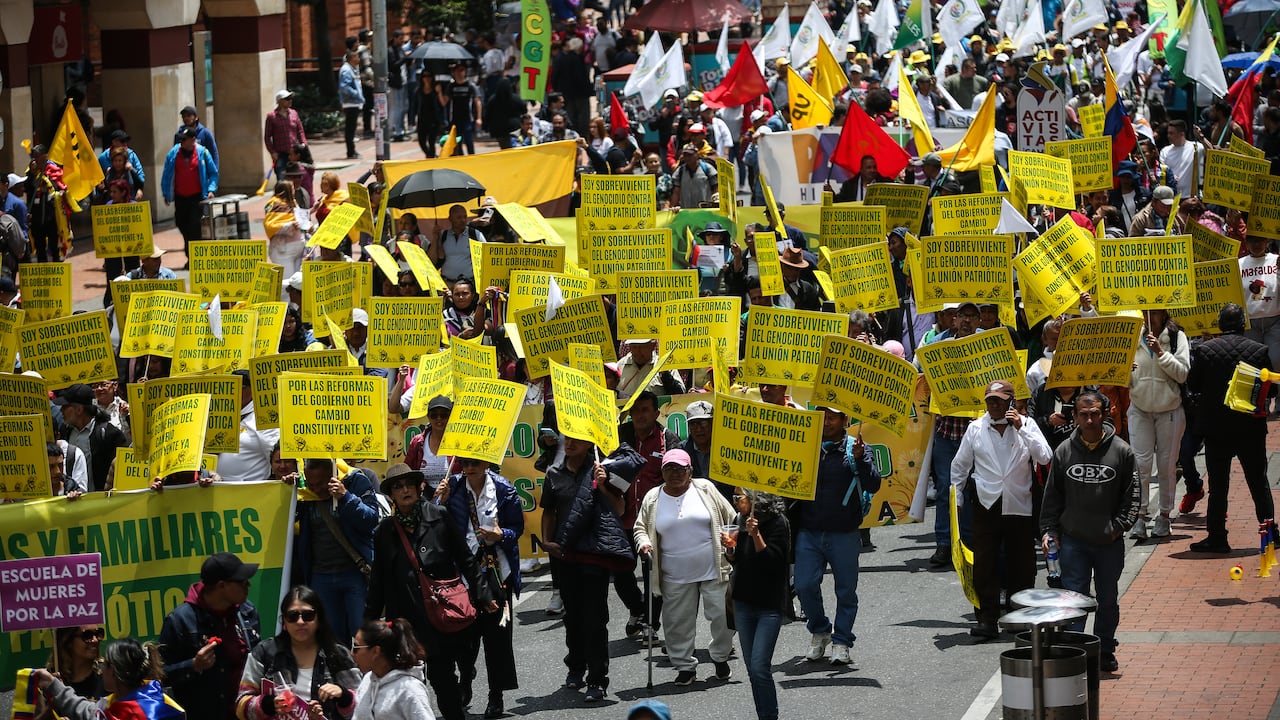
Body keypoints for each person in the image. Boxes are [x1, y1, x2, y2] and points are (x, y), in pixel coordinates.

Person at [364, 464, 496, 720]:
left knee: (446, 672)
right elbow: (378, 581)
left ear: (418, 487)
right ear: (391, 494)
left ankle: (460, 695)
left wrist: (484, 594)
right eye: (398, 487)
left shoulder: (439, 516)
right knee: (419, 679)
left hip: (443, 612)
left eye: (408, 485)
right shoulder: (384, 532)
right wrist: (369, 624)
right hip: (406, 620)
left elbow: (466, 558)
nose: (404, 491)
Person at [1041, 391, 1139, 672]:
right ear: (1075, 417)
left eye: (1095, 413)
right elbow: (1052, 497)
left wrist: (1118, 527)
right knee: (1074, 600)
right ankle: (1076, 651)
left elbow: (1133, 497)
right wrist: (1049, 531)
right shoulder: (1063, 451)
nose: (1090, 419)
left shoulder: (1122, 451)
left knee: (1108, 599)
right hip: (1074, 542)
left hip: (1109, 543)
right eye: (1083, 414)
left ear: (1105, 414)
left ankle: (1105, 648)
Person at [951, 380, 1053, 639]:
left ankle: (1021, 618)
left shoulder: (1027, 425)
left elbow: (1045, 457)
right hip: (986, 504)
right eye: (990, 400)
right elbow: (959, 467)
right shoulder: (975, 428)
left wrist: (1022, 428)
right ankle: (986, 619)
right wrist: (957, 502)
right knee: (984, 564)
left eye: (999, 400)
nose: (994, 405)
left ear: (1010, 401)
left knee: (1023, 564)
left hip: (1019, 503)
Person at [634, 448, 737, 685]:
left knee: (722, 616)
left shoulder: (705, 488)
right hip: (674, 573)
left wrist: (731, 541)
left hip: (713, 567)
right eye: (669, 469)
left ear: (690, 471)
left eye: (681, 469)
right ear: (662, 472)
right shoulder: (653, 497)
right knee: (677, 624)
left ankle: (720, 657)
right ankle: (685, 666)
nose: (675, 473)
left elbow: (730, 517)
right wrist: (645, 543)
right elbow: (640, 527)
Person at [540, 437, 630, 703]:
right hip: (565, 555)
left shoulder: (603, 470)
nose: (569, 444)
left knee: (595, 618)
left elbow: (620, 509)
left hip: (595, 555)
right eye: (567, 439)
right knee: (573, 617)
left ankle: (597, 679)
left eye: (576, 440)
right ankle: (576, 666)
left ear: (590, 445)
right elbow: (548, 511)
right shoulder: (553, 474)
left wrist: (603, 485)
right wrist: (547, 541)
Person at [435, 456, 524, 719]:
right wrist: (440, 500)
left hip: (497, 571)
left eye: (475, 462)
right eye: (465, 463)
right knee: (463, 635)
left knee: (497, 638)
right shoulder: (451, 486)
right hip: (463, 573)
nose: (469, 467)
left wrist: (501, 535)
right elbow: (432, 520)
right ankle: (465, 680)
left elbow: (516, 528)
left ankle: (496, 695)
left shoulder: (504, 489)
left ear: (487, 463)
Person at [791, 407, 881, 664]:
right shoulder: (806, 446)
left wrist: (862, 458)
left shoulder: (858, 448)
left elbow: (874, 484)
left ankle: (842, 640)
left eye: (832, 417)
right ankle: (820, 631)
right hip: (809, 532)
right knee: (804, 585)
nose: (826, 422)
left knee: (846, 590)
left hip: (844, 533)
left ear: (845, 421)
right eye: (822, 417)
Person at [1186, 303, 1276, 553]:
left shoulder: (1205, 350)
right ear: (1243, 324)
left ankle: (1217, 537)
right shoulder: (1259, 350)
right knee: (1259, 483)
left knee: (1218, 486)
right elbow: (1273, 388)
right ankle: (1271, 534)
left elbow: (1193, 384)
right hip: (1250, 427)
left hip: (1217, 430)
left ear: (1220, 324)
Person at [159, 552, 262, 720]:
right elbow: (159, 676)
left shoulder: (248, 612)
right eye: (241, 582)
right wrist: (193, 665)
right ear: (222, 586)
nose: (248, 585)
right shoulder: (180, 621)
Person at [236, 586, 361, 720]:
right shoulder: (264, 652)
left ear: (319, 619)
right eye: (292, 616)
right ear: (284, 620)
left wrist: (344, 696)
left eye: (308, 616)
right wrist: (269, 705)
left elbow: (362, 705)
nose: (300, 622)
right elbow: (241, 707)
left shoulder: (338, 654)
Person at [294, 458, 381, 644]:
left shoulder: (356, 481)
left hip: (354, 574)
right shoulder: (304, 492)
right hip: (321, 576)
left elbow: (371, 519)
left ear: (332, 476)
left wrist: (346, 497)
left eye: (320, 484)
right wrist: (288, 488)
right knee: (331, 638)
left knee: (362, 636)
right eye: (311, 484)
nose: (315, 489)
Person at [726, 491, 790, 720]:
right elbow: (738, 560)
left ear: (755, 499)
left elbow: (774, 562)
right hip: (743, 601)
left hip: (769, 604)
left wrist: (756, 535)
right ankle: (763, 715)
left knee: (760, 666)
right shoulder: (739, 520)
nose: (735, 502)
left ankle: (770, 716)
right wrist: (731, 550)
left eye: (739, 497)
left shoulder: (778, 522)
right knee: (752, 670)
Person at [1127, 310, 1189, 540]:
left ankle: (1164, 514)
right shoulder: (1132, 335)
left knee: (1166, 465)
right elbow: (1117, 372)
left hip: (1169, 410)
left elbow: (1182, 374)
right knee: (1140, 465)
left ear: (1163, 313)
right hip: (1139, 409)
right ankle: (1140, 516)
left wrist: (1160, 353)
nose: (1147, 316)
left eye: (1152, 311)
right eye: (1144, 311)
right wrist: (1126, 372)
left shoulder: (1177, 337)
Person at [31, 638, 182, 720]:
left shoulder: (141, 714)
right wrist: (53, 684)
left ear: (116, 672)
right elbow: (89, 712)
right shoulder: (123, 701)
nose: (102, 668)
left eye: (107, 665)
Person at [351, 619, 435, 720]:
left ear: (375, 651)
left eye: (356, 647)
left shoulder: (410, 691)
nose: (352, 653)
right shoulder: (368, 680)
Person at [53, 384, 130, 493]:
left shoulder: (109, 434)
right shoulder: (65, 432)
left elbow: (120, 471)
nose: (61, 410)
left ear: (79, 409)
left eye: (65, 406)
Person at [161, 127, 219, 260]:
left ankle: (194, 258)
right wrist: (166, 193)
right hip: (180, 197)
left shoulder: (202, 153)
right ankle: (192, 254)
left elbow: (213, 173)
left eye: (184, 139)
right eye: (180, 139)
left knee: (194, 226)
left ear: (193, 140)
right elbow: (167, 175)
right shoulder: (174, 153)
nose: (181, 142)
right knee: (181, 224)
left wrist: (211, 189)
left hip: (197, 197)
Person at [217, 371, 278, 484]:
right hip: (217, 490)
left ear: (251, 390)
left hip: (249, 492)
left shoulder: (263, 418)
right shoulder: (221, 416)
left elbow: (276, 458)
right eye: (230, 388)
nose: (233, 392)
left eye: (239, 387)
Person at [33, 625, 106, 719]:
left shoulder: (108, 674)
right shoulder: (47, 680)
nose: (95, 640)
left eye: (98, 633)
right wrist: (53, 705)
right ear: (68, 641)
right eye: (87, 635)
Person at [264, 181, 306, 284]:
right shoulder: (275, 204)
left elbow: (301, 218)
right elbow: (270, 225)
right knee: (287, 284)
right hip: (283, 252)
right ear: (285, 191)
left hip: (297, 250)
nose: (293, 191)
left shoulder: (293, 203)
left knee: (297, 283)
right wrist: (289, 226)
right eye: (291, 189)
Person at [615, 339, 685, 401]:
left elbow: (680, 395)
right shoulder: (620, 365)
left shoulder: (664, 365)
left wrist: (666, 376)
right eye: (634, 347)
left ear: (653, 345)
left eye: (642, 347)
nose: (638, 351)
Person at [430, 206, 484, 283]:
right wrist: (435, 237)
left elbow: (485, 258)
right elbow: (432, 260)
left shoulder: (475, 234)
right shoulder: (443, 235)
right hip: (447, 284)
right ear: (450, 219)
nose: (463, 220)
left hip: (468, 285)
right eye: (459, 217)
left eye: (465, 217)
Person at [265, 90, 307, 178]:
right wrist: (272, 152)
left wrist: (303, 144)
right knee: (282, 180)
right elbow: (267, 137)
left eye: (290, 98)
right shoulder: (271, 116)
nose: (290, 101)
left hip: (294, 153)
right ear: (279, 101)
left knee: (297, 179)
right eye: (287, 99)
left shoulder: (294, 113)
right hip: (280, 154)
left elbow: (300, 131)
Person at [447, 63, 483, 155]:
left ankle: (471, 158)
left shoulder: (471, 86)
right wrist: (439, 91)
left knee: (468, 140)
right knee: (457, 141)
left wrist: (479, 118)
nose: (460, 73)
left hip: (467, 118)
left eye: (462, 70)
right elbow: (444, 101)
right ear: (454, 72)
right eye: (458, 71)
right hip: (455, 118)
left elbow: (477, 101)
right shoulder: (451, 86)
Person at [671, 144, 717, 209]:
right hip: (686, 211)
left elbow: (715, 188)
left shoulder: (707, 168)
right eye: (685, 155)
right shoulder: (680, 171)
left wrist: (715, 205)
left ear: (697, 155)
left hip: (705, 211)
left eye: (690, 155)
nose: (687, 158)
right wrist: (672, 207)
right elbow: (676, 192)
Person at [339, 52, 365, 159]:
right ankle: (351, 152)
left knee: (352, 128)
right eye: (357, 56)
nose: (358, 58)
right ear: (352, 58)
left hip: (353, 103)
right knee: (350, 129)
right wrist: (356, 94)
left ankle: (352, 150)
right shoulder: (346, 70)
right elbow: (344, 87)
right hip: (350, 103)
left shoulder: (351, 68)